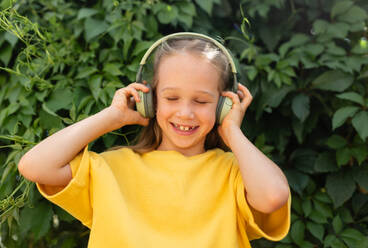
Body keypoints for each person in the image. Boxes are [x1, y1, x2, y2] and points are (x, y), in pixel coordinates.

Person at [18, 33, 291, 248]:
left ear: (223, 106)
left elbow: (272, 196)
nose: (185, 112)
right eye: (171, 98)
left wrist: (232, 132)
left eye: (201, 101)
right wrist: (112, 117)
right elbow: (35, 166)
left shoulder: (234, 172)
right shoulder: (111, 168)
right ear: (150, 100)